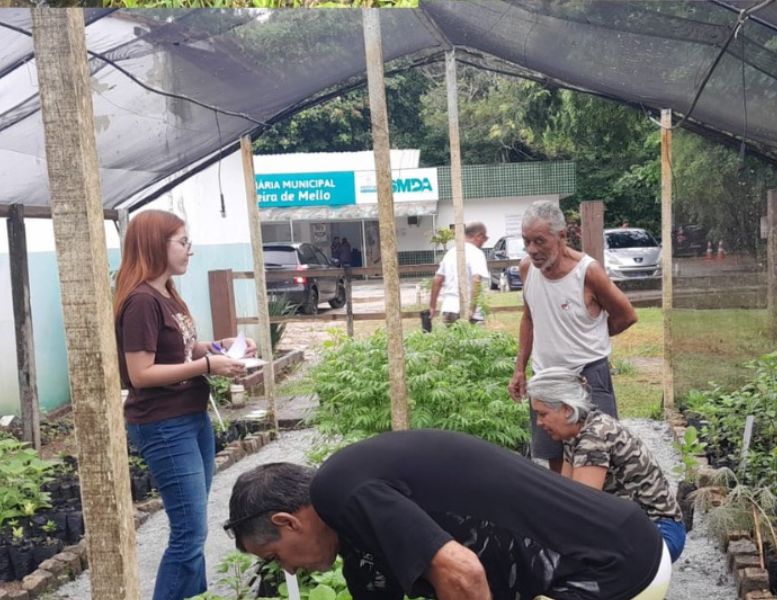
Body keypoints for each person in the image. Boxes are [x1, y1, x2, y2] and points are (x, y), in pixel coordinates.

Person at [227, 429, 672, 600]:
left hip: (611, 563)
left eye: (274, 557)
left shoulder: (339, 488)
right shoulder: (354, 526)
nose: (284, 568)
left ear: (288, 521)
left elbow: (463, 574)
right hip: (617, 547)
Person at [113, 209, 254, 600]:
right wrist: (208, 365)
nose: (190, 250)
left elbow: (180, 348)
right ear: (156, 245)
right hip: (163, 424)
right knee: (189, 533)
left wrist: (217, 347)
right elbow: (140, 373)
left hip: (190, 417)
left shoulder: (166, 293)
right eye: (183, 242)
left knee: (194, 529)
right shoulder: (141, 300)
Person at [508, 200, 638, 472]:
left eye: (540, 241)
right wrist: (519, 368)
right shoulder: (526, 269)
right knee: (555, 463)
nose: (532, 250)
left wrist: (592, 337)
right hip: (545, 379)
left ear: (562, 236)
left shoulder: (588, 273)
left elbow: (626, 315)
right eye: (526, 241)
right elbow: (529, 317)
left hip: (587, 377)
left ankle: (598, 513)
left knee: (596, 458)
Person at [528, 367, 686, 563]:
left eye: (542, 414)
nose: (539, 422)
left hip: (659, 531)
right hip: (632, 525)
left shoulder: (594, 439)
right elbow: (565, 495)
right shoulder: (576, 431)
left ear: (567, 409)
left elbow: (580, 511)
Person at [428, 222, 490, 325]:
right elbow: (476, 280)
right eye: (485, 238)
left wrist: (432, 306)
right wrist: (472, 309)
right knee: (475, 340)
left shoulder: (450, 253)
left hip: (449, 309)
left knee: (452, 341)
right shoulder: (477, 253)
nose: (484, 242)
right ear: (478, 236)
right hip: (470, 314)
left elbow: (437, 280)